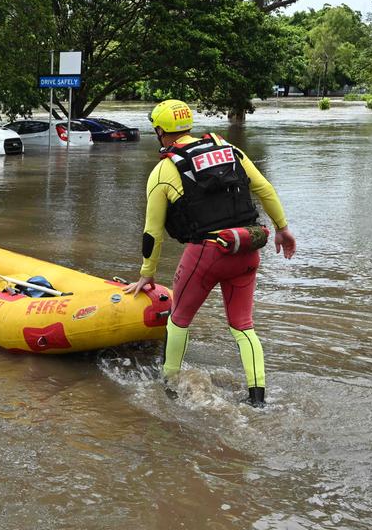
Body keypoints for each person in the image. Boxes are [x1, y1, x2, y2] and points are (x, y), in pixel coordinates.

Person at [122, 99, 297, 408]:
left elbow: (153, 232)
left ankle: (169, 385)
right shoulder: (231, 151)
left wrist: (147, 274)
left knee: (179, 318)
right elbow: (265, 190)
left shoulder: (164, 170)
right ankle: (257, 398)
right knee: (243, 326)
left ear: (160, 131)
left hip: (206, 254)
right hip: (248, 248)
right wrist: (282, 229)